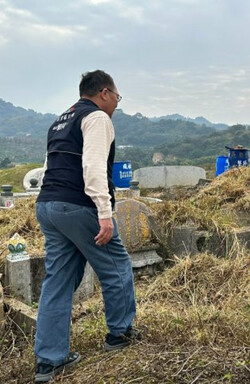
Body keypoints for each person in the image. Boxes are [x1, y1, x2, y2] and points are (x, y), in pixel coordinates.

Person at [34, 70, 138, 382]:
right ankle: (120, 334)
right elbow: (92, 166)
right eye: (118, 97)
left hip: (47, 206)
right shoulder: (96, 118)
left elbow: (50, 165)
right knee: (116, 266)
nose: (117, 103)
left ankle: (49, 361)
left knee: (59, 279)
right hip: (79, 205)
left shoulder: (60, 121)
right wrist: (104, 213)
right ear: (104, 92)